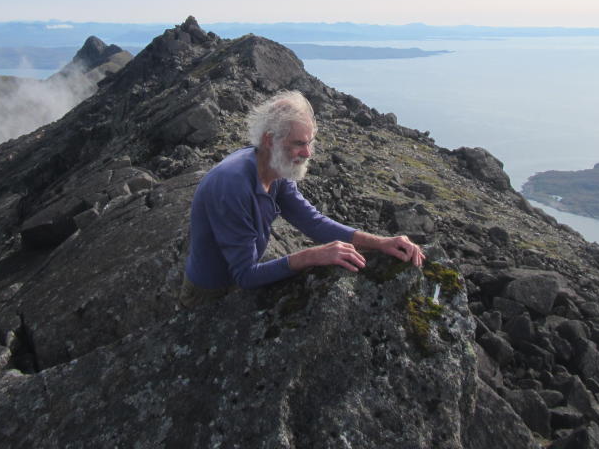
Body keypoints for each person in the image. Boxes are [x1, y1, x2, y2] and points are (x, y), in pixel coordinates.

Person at [180, 90, 425, 308]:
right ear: (269, 139)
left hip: (241, 276)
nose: (307, 153)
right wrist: (311, 256)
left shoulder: (276, 169)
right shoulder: (232, 186)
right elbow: (245, 275)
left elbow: (313, 222)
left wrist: (380, 243)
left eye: (309, 143)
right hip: (210, 293)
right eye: (298, 144)